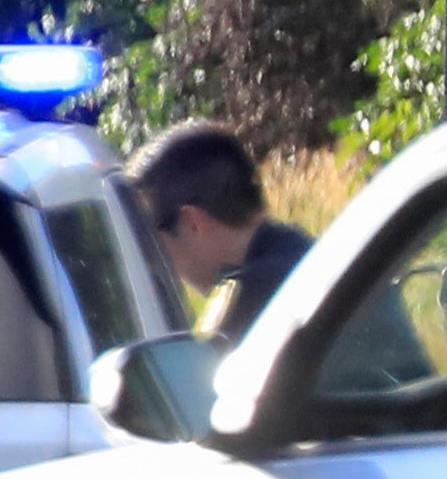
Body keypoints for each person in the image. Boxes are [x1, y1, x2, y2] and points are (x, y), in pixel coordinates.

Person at [133, 120, 315, 338]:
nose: (154, 264)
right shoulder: (309, 252)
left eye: (153, 243)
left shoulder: (239, 307)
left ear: (194, 222)